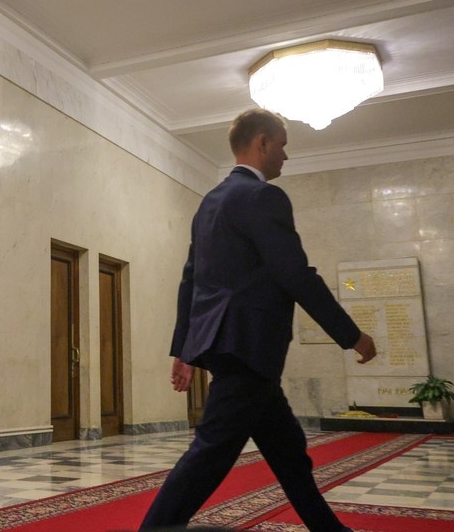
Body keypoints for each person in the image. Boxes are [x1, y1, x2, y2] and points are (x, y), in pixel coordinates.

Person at [138, 108, 377, 532]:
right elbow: (295, 275)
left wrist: (184, 349)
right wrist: (351, 335)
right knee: (211, 451)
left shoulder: (209, 203)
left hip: (229, 346)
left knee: (288, 451)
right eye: (282, 145)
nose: (286, 154)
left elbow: (191, 281)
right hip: (247, 346)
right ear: (262, 143)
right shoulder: (263, 197)